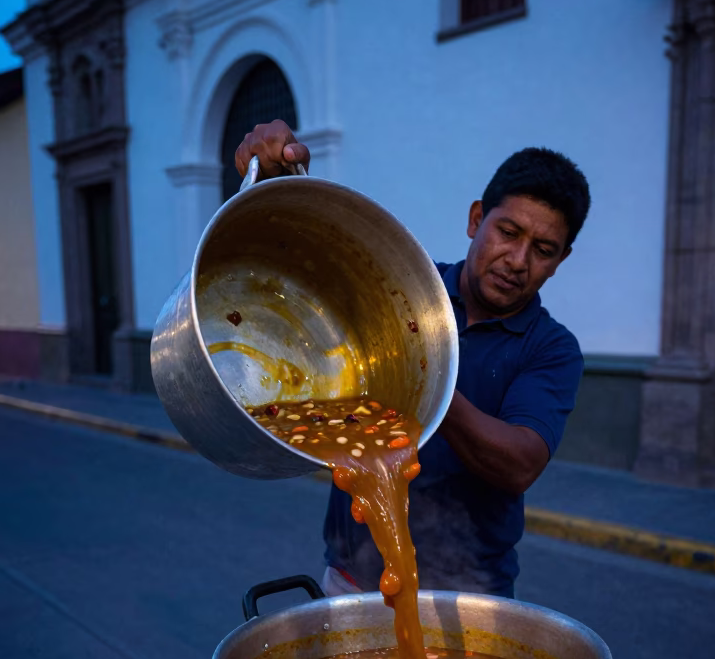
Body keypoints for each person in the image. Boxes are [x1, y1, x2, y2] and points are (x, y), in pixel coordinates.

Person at [235, 121, 589, 599]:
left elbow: (519, 464)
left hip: (470, 597)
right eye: (508, 232)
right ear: (476, 218)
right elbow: (303, 276)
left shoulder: (550, 347)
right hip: (350, 578)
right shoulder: (403, 291)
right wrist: (277, 183)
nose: (517, 260)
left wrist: (426, 376)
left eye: (542, 250)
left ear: (561, 260)